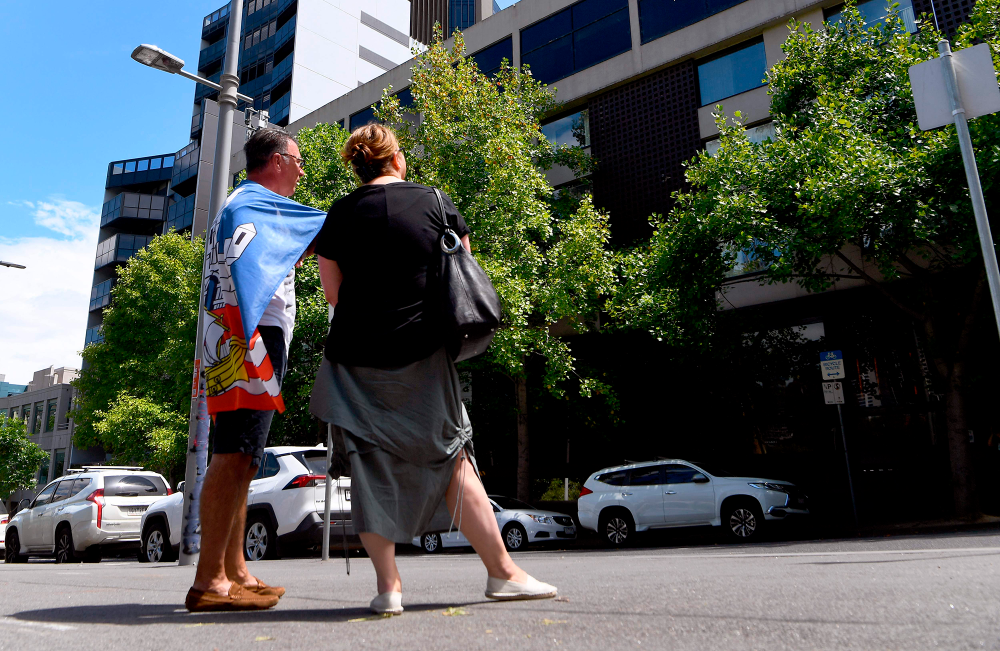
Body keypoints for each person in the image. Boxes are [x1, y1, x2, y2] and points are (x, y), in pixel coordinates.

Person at [309, 124, 557, 615]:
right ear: (397, 160)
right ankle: (502, 573)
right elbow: (462, 270)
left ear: (358, 167)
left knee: (369, 464)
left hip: (355, 360)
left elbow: (333, 295)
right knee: (450, 453)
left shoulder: (338, 215)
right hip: (423, 353)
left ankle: (389, 588)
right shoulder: (434, 202)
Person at [186, 128, 325, 612]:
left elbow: (280, 254)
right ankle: (209, 579)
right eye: (299, 160)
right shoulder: (259, 202)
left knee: (244, 457)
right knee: (233, 456)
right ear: (277, 160)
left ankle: (235, 570)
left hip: (238, 336)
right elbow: (325, 229)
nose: (303, 169)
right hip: (252, 336)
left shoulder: (243, 205)